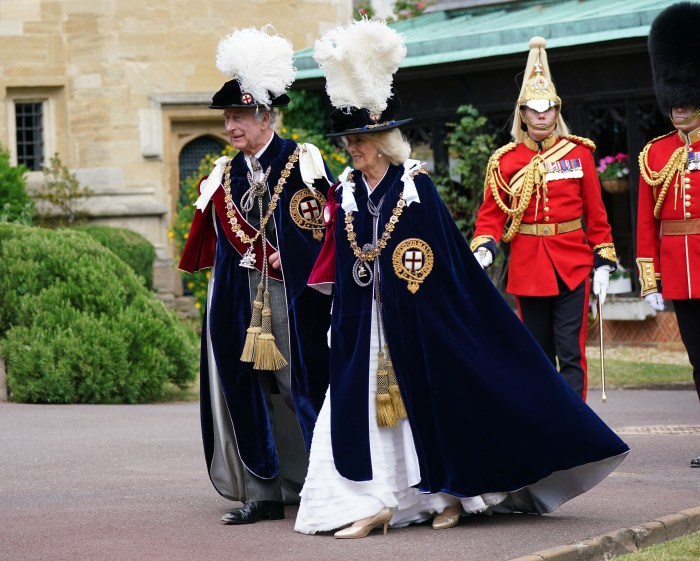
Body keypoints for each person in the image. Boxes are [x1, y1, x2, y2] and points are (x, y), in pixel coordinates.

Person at [294, 19, 629, 539]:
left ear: (383, 139)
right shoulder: (348, 190)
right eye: (347, 140)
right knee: (355, 412)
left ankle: (447, 495)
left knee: (433, 403)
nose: (351, 148)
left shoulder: (415, 189)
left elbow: (436, 262)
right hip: (365, 324)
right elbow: (341, 257)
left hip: (419, 322)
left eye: (358, 139)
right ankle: (370, 500)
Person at [178, 26, 332, 523]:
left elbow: (320, 232)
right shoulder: (223, 174)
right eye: (227, 117)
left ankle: (325, 486)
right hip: (238, 300)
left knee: (301, 388)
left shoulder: (301, 162)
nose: (231, 126)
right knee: (245, 392)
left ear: (265, 116)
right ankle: (262, 492)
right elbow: (219, 247)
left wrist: (292, 260)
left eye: (240, 116)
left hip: (290, 299)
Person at [470, 37, 618, 402]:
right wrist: (485, 246)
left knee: (571, 354)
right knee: (536, 355)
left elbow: (596, 214)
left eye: (547, 109)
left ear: (556, 111)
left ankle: (577, 429)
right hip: (527, 265)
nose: (540, 116)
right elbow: (491, 216)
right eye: (533, 109)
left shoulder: (579, 154)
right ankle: (546, 426)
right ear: (522, 112)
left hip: (572, 263)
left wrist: (603, 261)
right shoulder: (504, 161)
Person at [637, 2, 700, 468]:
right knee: (698, 360)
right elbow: (646, 223)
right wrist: (650, 279)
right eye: (674, 100)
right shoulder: (654, 154)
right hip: (679, 274)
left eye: (686, 99)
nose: (679, 107)